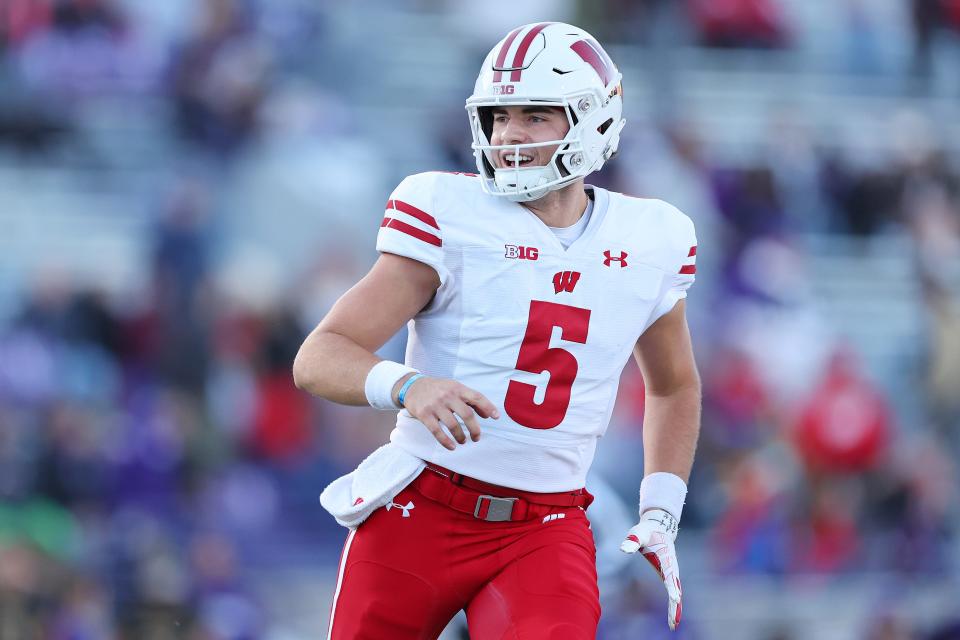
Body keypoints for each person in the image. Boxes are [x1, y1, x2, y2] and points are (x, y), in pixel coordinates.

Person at [293, 21, 700, 639]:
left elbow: (674, 386)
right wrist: (409, 386)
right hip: (422, 506)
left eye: (537, 115)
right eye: (499, 115)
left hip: (545, 524)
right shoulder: (448, 212)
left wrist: (662, 508)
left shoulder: (652, 239)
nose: (510, 134)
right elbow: (319, 355)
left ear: (594, 118)